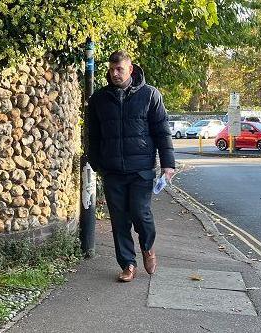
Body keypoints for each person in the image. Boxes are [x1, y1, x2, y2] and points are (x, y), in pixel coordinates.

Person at [86, 50, 175, 282]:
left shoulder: (150, 95)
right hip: (112, 169)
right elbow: (92, 135)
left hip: (141, 169)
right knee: (119, 219)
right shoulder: (99, 99)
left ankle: (147, 247)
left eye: (120, 69)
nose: (115, 74)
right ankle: (127, 264)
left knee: (140, 212)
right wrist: (97, 163)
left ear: (130, 70)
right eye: (112, 69)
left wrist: (168, 165)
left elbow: (162, 132)